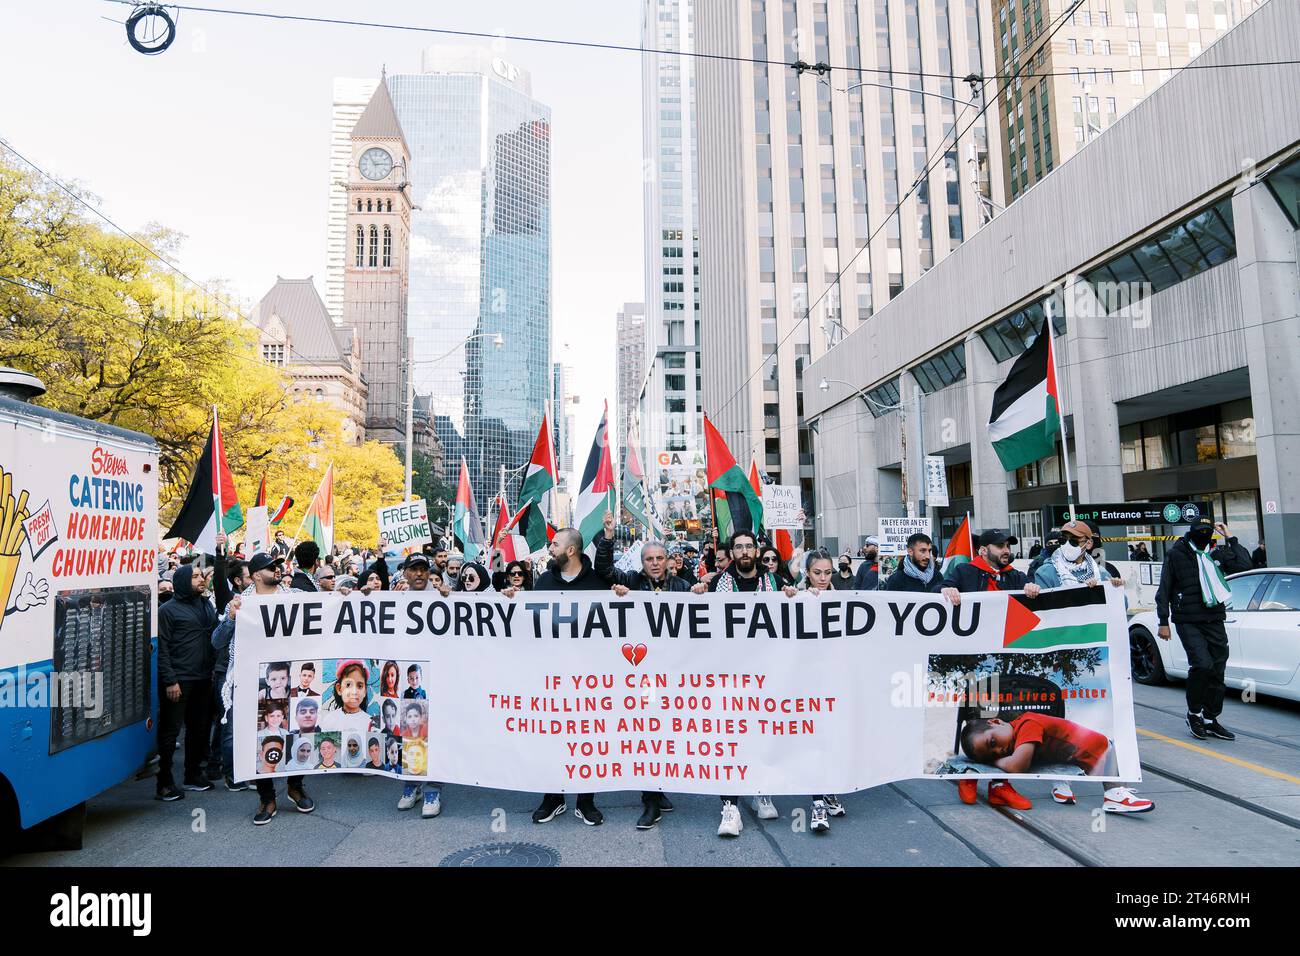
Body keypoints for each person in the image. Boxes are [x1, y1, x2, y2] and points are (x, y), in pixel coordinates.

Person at [1032, 519, 1152, 813]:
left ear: (1088, 543)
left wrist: (1108, 589)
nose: (1068, 544)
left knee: (1103, 719)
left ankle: (1114, 790)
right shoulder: (1046, 571)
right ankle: (1061, 780)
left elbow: (1118, 607)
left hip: (1094, 658)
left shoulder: (1100, 572)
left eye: (1075, 539)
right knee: (1064, 719)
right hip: (1059, 657)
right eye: (1065, 538)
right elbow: (1043, 613)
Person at [593, 512, 690, 830]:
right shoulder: (631, 582)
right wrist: (608, 536)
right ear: (642, 562)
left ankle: (658, 790)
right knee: (648, 732)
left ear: (669, 561)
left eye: (660, 558)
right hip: (641, 674)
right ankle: (651, 801)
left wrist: (701, 596)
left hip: (673, 673)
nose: (655, 563)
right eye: (649, 558)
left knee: (668, 733)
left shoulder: (683, 587)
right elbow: (604, 569)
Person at [939, 529, 1041, 810]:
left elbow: (1034, 599)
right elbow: (941, 589)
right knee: (979, 720)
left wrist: (1032, 590)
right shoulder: (964, 571)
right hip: (973, 660)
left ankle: (999, 784)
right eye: (999, 545)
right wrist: (945, 591)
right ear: (983, 550)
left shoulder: (1015, 576)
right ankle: (971, 776)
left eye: (1008, 544)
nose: (1005, 549)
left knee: (1005, 717)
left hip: (1006, 659)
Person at [217, 551, 315, 825]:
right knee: (261, 737)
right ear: (257, 575)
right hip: (257, 682)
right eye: (272, 567)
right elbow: (217, 641)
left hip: (292, 676)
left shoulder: (294, 596)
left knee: (296, 731)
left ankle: (295, 787)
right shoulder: (240, 604)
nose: (278, 569)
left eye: (278, 565)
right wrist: (232, 619)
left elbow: (327, 613)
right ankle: (267, 797)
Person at [712, 529, 796, 834]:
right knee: (731, 738)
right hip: (731, 673)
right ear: (732, 552)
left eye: (749, 546)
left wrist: (795, 595)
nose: (745, 551)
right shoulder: (717, 585)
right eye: (739, 547)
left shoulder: (776, 582)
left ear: (756, 552)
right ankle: (730, 806)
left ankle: (761, 790)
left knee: (762, 732)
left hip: (767, 673)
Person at [530, 525, 611, 827]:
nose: (550, 549)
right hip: (551, 675)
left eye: (554, 544)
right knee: (552, 736)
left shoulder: (597, 583)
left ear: (571, 550)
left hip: (588, 678)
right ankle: (553, 797)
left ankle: (586, 801)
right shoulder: (544, 582)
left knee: (587, 736)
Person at [1155, 517, 1252, 741]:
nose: (1204, 535)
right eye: (1200, 531)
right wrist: (1163, 621)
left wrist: (1230, 537)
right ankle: (1194, 714)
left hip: (1214, 617)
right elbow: (1165, 588)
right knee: (1202, 664)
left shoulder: (1214, 553)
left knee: (1217, 668)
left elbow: (1245, 565)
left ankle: (1210, 718)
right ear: (1191, 532)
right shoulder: (1177, 554)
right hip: (1187, 618)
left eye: (1209, 531)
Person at [155, 562, 219, 801]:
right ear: (182, 581)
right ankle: (164, 782)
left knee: (199, 729)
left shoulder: (206, 605)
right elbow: (161, 648)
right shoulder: (168, 611)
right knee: (170, 732)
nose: (201, 579)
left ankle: (193, 775)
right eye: (194, 577)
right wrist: (170, 680)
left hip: (204, 678)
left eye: (201, 576)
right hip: (179, 681)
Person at [393, 553, 448, 818]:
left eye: (422, 570)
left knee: (434, 735)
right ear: (405, 573)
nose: (418, 575)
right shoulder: (395, 598)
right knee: (412, 732)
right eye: (413, 570)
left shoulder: (443, 596)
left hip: (436, 675)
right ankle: (412, 785)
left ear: (428, 573)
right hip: (409, 676)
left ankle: (432, 790)